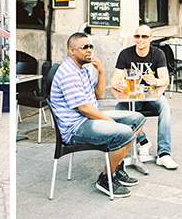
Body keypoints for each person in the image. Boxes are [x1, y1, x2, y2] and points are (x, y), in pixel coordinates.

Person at [49, 32, 146, 198]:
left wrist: (101, 71)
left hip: (90, 118)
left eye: (90, 46)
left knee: (138, 119)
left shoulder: (82, 69)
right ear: (72, 51)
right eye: (84, 47)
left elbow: (99, 95)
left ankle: (115, 169)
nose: (89, 50)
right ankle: (106, 178)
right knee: (124, 132)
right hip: (76, 127)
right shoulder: (68, 73)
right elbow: (84, 109)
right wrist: (110, 121)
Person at [111, 25, 179, 171]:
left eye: (144, 37)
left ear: (150, 38)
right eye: (137, 36)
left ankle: (164, 154)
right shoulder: (126, 54)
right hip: (132, 97)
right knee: (118, 112)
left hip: (152, 97)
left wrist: (156, 82)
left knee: (165, 107)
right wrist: (119, 84)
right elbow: (114, 80)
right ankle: (143, 140)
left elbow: (165, 79)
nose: (140, 40)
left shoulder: (158, 54)